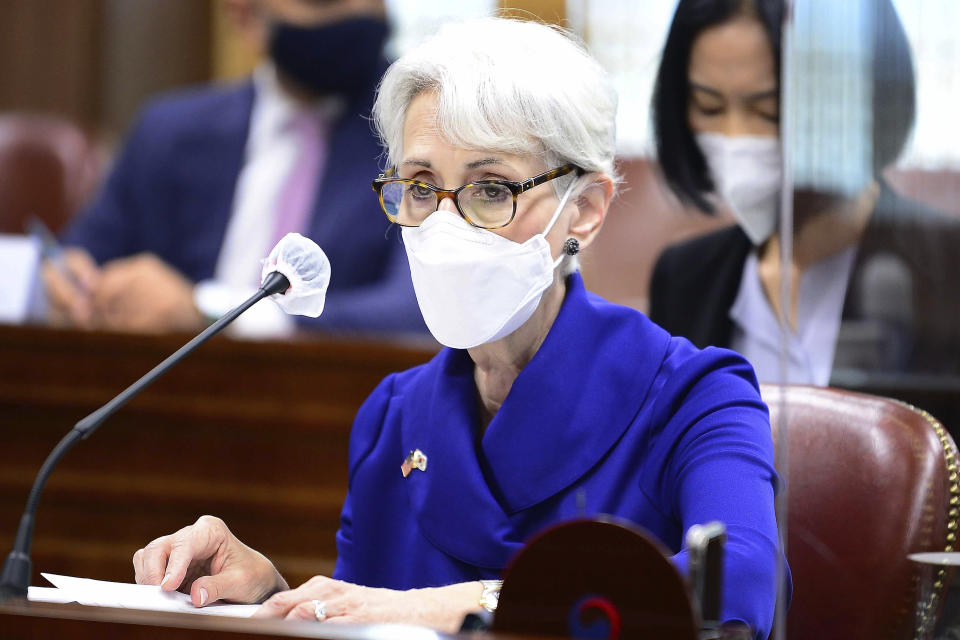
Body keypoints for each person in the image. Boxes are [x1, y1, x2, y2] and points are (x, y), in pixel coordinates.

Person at [131, 17, 787, 637]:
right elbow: (371, 617)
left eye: (491, 189)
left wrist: (452, 608)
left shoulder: (694, 396)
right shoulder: (392, 416)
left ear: (584, 210)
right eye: (420, 186)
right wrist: (272, 595)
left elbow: (735, 587)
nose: (444, 225)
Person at [44, 0, 425, 337]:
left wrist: (207, 311)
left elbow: (416, 309)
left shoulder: (419, 139)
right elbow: (77, 257)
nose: (360, 10)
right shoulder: (169, 132)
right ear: (244, 15)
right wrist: (67, 284)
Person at [648, 0, 960, 384]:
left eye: (770, 112)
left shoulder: (948, 265)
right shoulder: (683, 278)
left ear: (861, 102)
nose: (736, 138)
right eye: (709, 107)